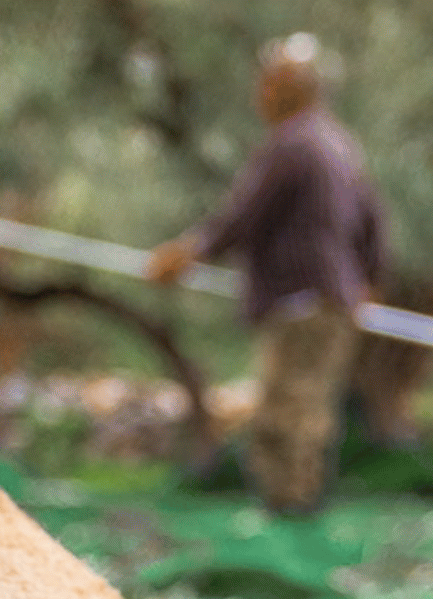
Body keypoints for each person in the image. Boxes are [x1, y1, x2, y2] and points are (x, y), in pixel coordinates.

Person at [146, 34, 386, 517]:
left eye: (268, 83)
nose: (260, 93)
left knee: (284, 417)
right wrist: (369, 283)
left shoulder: (295, 145)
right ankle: (300, 507)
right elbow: (374, 225)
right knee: (309, 411)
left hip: (300, 304)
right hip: (333, 305)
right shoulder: (341, 146)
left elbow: (243, 217)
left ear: (290, 87)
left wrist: (188, 253)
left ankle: (289, 513)